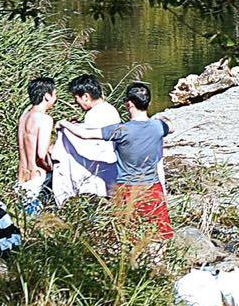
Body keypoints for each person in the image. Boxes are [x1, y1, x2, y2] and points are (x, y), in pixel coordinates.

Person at [67, 81, 175, 246]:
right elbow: (172, 127)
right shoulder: (158, 127)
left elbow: (84, 135)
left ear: (129, 104)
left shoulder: (121, 130)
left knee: (129, 237)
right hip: (153, 187)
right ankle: (158, 266)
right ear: (148, 103)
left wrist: (64, 124)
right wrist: (160, 118)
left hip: (128, 190)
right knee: (157, 235)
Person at [51, 75, 119, 204]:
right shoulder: (110, 109)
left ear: (86, 96)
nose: (77, 103)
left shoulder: (94, 114)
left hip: (99, 167)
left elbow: (88, 139)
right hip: (111, 166)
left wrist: (66, 126)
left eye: (77, 99)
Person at [14, 76, 56, 216]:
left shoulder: (24, 116)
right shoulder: (44, 119)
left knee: (22, 222)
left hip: (21, 178)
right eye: (54, 94)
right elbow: (41, 154)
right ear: (47, 96)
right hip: (36, 178)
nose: (55, 98)